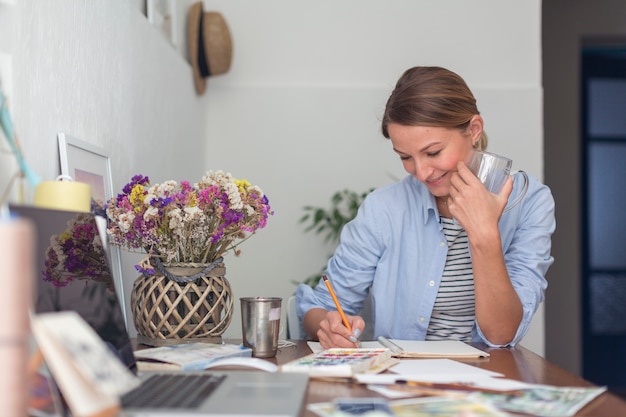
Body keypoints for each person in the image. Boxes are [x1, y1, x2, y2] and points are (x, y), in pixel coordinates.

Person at [296, 66, 555, 349]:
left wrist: (483, 233)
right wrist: (328, 326)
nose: (420, 172)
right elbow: (320, 306)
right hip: (398, 382)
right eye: (405, 157)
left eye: (433, 152)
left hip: (485, 383)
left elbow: (501, 334)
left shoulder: (529, 202)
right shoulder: (383, 209)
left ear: (474, 130)